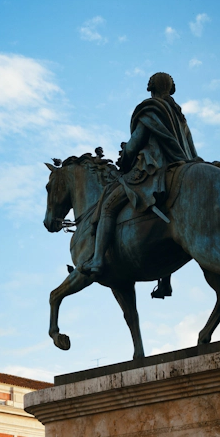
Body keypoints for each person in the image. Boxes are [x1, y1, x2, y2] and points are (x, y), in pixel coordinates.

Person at [80, 73, 208, 297]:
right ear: (171, 88)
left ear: (151, 87)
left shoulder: (150, 109)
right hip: (182, 165)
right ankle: (165, 280)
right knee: (168, 219)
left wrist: (124, 157)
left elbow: (136, 142)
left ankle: (98, 259)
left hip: (152, 169)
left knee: (108, 206)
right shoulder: (180, 116)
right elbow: (191, 149)